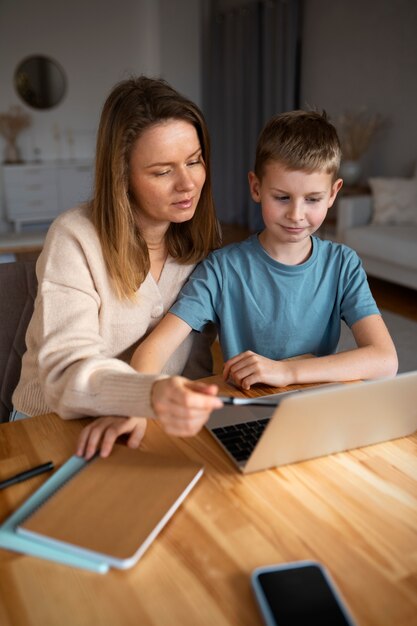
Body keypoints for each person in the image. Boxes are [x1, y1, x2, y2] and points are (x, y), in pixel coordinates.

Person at [80, 109, 399, 458]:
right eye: (282, 197)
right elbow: (153, 350)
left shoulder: (343, 265)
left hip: (317, 413)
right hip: (248, 414)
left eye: (312, 199)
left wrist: (286, 371)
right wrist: (136, 408)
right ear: (256, 187)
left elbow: (384, 360)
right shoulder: (222, 268)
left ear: (334, 193)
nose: (296, 215)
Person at [12, 75, 225, 450]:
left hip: (150, 420)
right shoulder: (75, 237)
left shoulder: (202, 239)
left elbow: (194, 361)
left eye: (194, 161)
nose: (188, 183)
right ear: (122, 176)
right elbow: (65, 371)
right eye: (162, 171)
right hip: (51, 424)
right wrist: (145, 395)